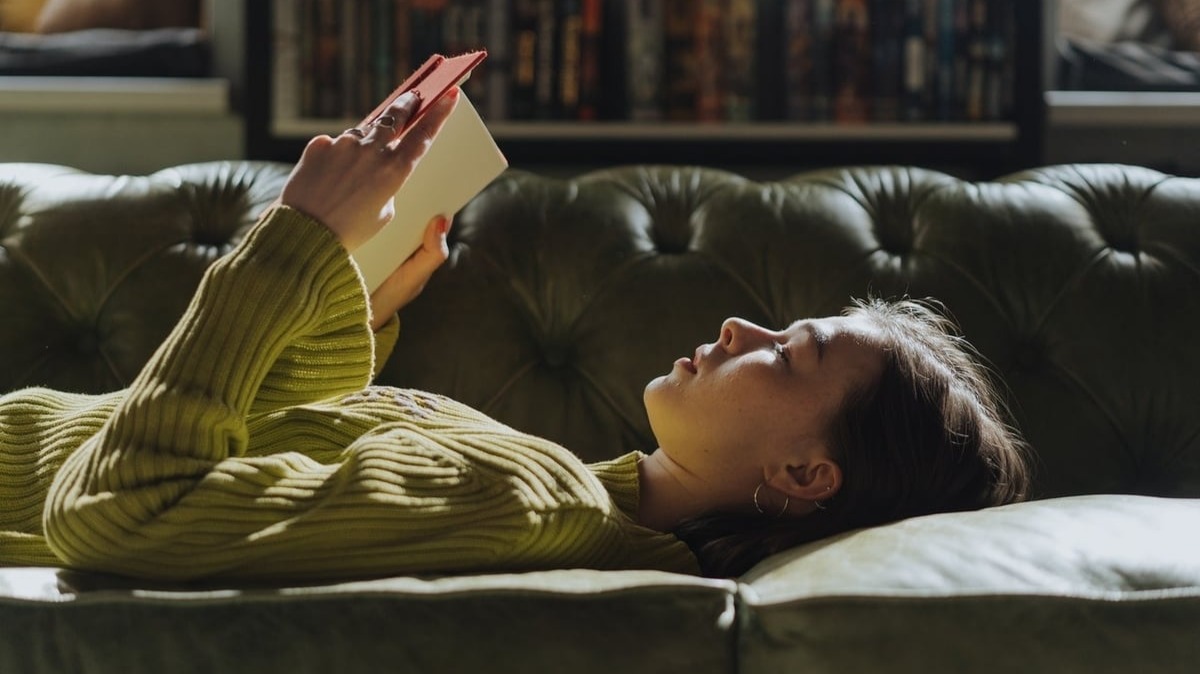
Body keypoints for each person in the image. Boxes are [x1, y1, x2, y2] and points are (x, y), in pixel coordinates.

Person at [0, 88, 1031, 581]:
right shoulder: (561, 483)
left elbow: (119, 507)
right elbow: (258, 454)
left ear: (808, 475)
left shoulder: (528, 502)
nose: (736, 322)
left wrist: (293, 244)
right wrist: (347, 302)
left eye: (786, 351)